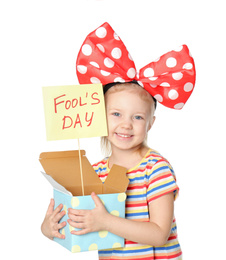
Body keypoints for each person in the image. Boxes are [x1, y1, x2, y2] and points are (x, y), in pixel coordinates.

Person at [41, 22, 196, 259]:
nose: (126, 124)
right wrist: (50, 227)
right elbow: (79, 228)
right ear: (100, 118)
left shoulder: (155, 169)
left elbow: (159, 234)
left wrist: (106, 221)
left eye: (137, 117)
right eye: (116, 114)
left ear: (150, 124)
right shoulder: (94, 173)